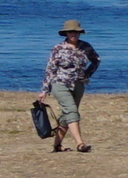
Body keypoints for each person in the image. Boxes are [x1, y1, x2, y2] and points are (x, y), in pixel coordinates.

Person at [42, 19, 100, 154]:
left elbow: (96, 60)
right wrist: (45, 90)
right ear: (66, 33)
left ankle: (57, 146)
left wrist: (87, 75)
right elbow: (50, 69)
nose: (73, 34)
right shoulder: (58, 48)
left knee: (66, 115)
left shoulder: (86, 47)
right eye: (70, 32)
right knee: (72, 111)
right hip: (60, 84)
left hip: (78, 85)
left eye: (76, 32)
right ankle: (80, 144)